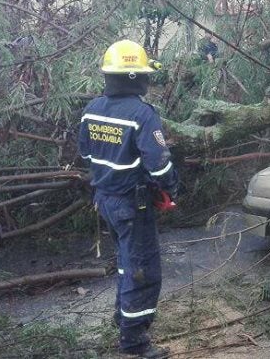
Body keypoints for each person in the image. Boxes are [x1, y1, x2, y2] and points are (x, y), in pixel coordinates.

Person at [78, 39, 178, 358]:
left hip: (105, 199)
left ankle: (121, 316)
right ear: (135, 77)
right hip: (132, 203)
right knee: (142, 269)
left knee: (125, 262)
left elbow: (85, 153)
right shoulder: (142, 114)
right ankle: (134, 342)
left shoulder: (91, 109)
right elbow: (159, 163)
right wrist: (171, 188)